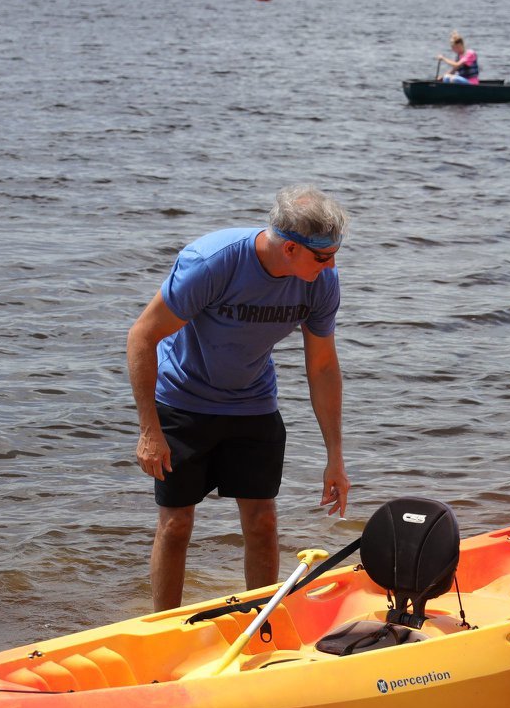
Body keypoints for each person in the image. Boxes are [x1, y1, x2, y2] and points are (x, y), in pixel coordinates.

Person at [127, 185, 350, 613]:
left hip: (253, 404)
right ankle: (164, 626)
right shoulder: (212, 263)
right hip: (183, 400)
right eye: (323, 257)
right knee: (176, 526)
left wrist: (335, 456)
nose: (332, 265)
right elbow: (142, 336)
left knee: (263, 522)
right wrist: (149, 430)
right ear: (289, 248)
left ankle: (260, 622)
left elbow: (322, 366)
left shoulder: (321, 283)